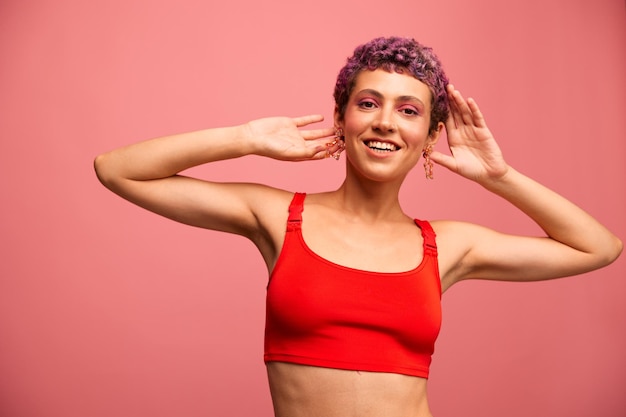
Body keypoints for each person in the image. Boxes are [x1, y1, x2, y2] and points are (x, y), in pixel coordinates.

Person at [94, 36, 622, 417]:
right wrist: (246, 137)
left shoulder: (447, 245)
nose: (385, 121)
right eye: (367, 103)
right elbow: (117, 169)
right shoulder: (279, 217)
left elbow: (598, 247)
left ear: (430, 135)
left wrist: (499, 176)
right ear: (343, 117)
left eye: (409, 110)